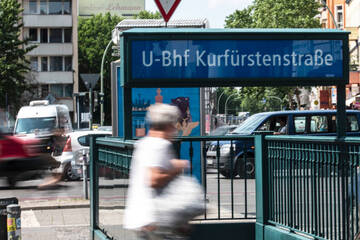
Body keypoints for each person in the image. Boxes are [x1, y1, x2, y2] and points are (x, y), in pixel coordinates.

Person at [124, 103, 189, 239]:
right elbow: (154, 179)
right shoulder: (161, 145)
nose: (175, 129)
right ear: (168, 125)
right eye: (174, 124)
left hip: (141, 218)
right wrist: (177, 168)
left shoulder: (144, 144)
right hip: (155, 222)